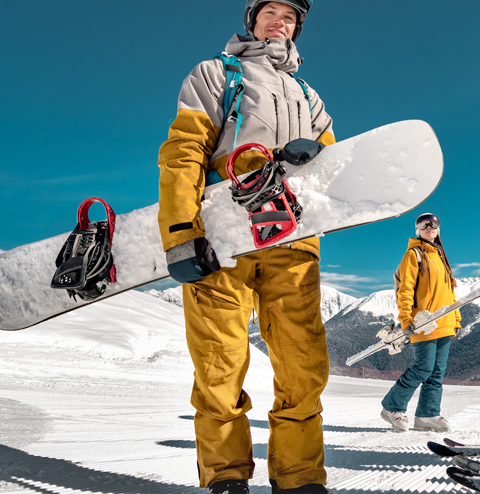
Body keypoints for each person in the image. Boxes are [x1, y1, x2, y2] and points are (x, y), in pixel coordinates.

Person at [156, 1, 334, 493]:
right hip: (222, 236)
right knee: (220, 362)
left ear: (298, 28)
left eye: (290, 16)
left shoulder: (310, 97)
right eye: (270, 11)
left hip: (292, 240)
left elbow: (334, 172)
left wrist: (316, 155)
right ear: (252, 20)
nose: (281, 21)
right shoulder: (216, 73)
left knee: (304, 366)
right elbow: (184, 152)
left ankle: (299, 479)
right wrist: (179, 233)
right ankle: (226, 476)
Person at [379, 213, 461, 433]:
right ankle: (391, 407)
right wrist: (406, 319)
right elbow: (405, 290)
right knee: (423, 368)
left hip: (444, 322)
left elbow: (449, 292)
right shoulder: (414, 254)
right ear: (417, 230)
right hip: (423, 322)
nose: (429, 227)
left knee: (436, 372)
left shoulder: (441, 257)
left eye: (434, 224)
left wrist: (456, 318)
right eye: (424, 224)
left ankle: (428, 414)